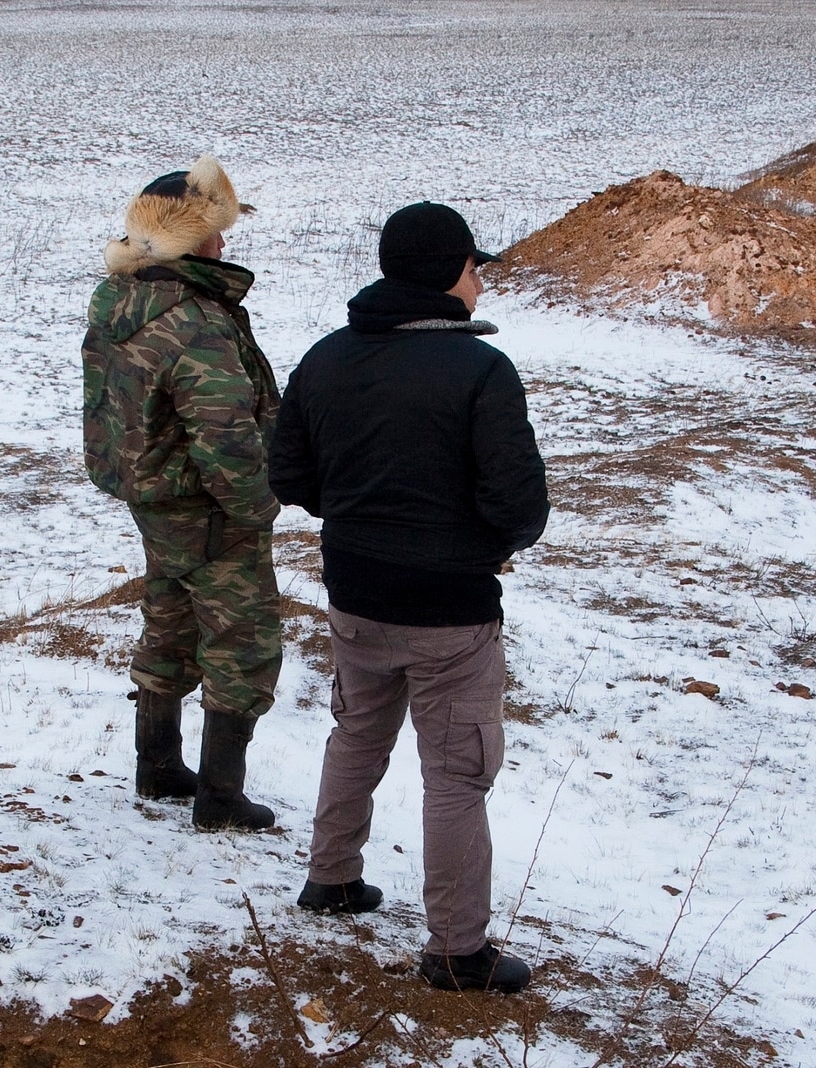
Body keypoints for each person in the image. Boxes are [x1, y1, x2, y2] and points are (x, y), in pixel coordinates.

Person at [270, 202, 549, 992]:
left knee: (357, 736)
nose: (481, 278)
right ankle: (457, 951)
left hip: (355, 597)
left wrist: (361, 513)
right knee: (457, 775)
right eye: (474, 265)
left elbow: (288, 476)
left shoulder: (325, 359)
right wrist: (483, 543)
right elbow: (520, 507)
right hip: (451, 613)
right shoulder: (482, 372)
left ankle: (331, 879)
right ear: (446, 273)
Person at [81, 157, 283, 832]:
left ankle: (157, 763)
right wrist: (257, 508)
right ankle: (220, 797)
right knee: (241, 639)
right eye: (214, 234)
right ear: (191, 242)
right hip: (207, 506)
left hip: (155, 496)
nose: (224, 245)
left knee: (169, 622)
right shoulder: (194, 319)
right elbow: (224, 432)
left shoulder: (121, 302)